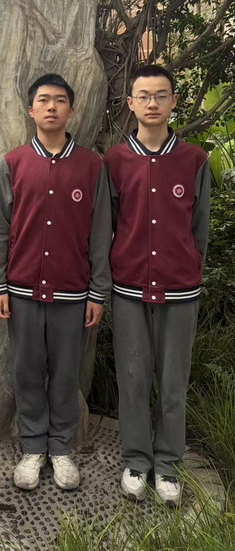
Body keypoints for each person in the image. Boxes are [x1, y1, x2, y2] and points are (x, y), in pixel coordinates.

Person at [0, 73, 112, 491]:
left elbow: (100, 234)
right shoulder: (14, 163)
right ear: (31, 110)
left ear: (71, 110)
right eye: (44, 100)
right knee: (26, 370)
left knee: (64, 372)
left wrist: (98, 291)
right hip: (21, 290)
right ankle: (32, 447)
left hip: (73, 292)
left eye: (60, 100)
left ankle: (60, 448)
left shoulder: (92, 166)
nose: (52, 107)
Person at [105, 64, 210, 507]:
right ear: (130, 103)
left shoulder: (194, 160)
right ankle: (136, 460)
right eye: (144, 96)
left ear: (173, 102)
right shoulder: (115, 161)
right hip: (128, 287)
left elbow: (200, 228)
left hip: (179, 289)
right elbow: (108, 224)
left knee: (172, 381)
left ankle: (167, 464)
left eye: (161, 95)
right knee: (132, 377)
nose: (152, 103)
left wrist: (188, 267)